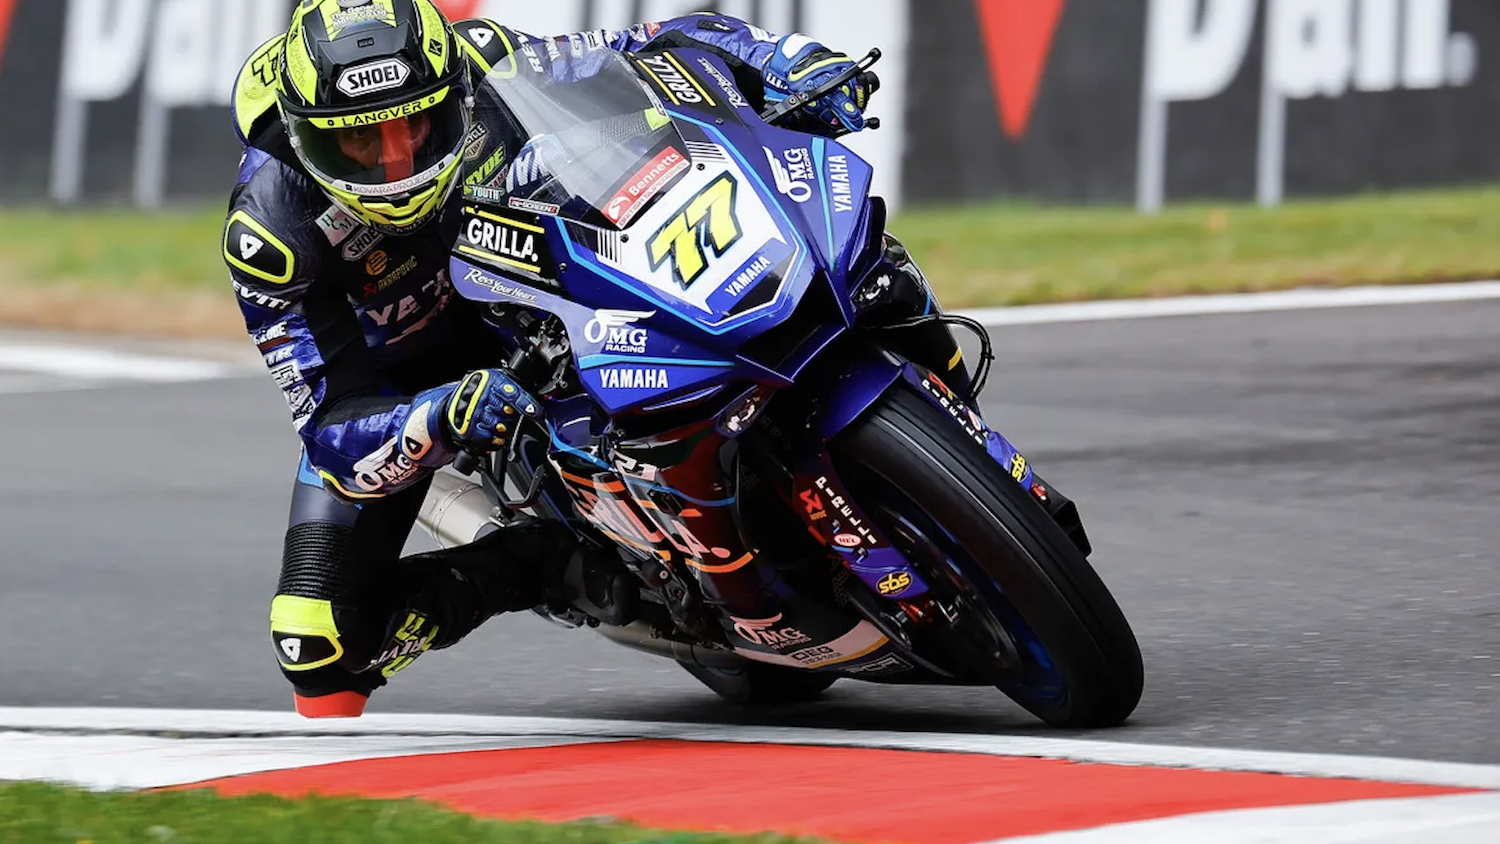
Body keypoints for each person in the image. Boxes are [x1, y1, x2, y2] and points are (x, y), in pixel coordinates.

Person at [223, 0, 878, 718]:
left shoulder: (483, 55)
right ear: (306, 138)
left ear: (450, 93)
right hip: (412, 386)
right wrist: (435, 418)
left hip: (537, 291)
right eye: (359, 146)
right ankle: (536, 563)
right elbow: (329, 428)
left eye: (413, 127)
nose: (396, 165)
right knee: (319, 648)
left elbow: (657, 47)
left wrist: (785, 64)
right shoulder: (269, 229)